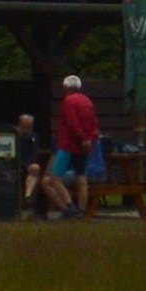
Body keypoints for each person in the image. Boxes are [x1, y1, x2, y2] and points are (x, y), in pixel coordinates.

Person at [54, 74, 102, 218]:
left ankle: (71, 208)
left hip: (68, 144)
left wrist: (81, 138)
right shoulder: (87, 101)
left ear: (66, 87)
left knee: (55, 178)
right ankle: (82, 210)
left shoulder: (69, 101)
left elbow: (72, 122)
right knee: (81, 177)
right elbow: (94, 124)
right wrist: (89, 139)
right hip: (83, 147)